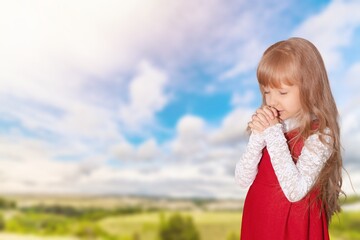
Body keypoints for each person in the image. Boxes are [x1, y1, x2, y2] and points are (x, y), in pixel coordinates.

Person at [235, 37, 343, 240]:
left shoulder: (320, 135)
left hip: (294, 226)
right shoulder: (273, 126)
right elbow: (242, 180)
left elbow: (295, 191)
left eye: (282, 92)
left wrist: (273, 132)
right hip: (260, 217)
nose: (272, 100)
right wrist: (258, 138)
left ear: (310, 89)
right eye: (267, 91)